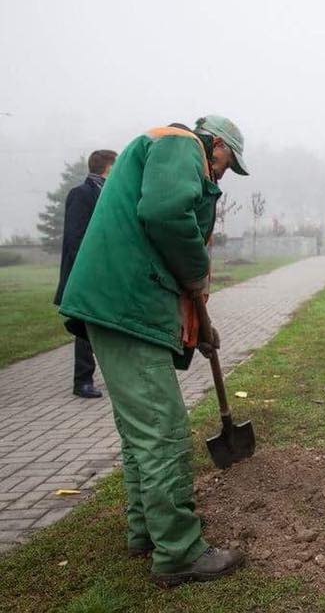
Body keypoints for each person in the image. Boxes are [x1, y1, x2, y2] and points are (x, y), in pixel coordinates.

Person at [58, 115, 249, 586]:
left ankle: (147, 529)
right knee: (163, 431)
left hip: (117, 305)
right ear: (217, 144)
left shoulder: (162, 150)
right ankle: (180, 551)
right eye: (228, 162)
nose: (223, 174)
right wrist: (197, 271)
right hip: (126, 306)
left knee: (140, 430)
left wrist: (199, 325)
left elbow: (158, 230)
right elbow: (165, 214)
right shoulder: (181, 144)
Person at [53, 149, 117, 398]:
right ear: (108, 168)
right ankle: (82, 381)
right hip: (87, 273)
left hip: (106, 272)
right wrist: (86, 270)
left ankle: (110, 376)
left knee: (104, 325)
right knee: (86, 326)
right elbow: (74, 237)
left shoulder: (109, 193)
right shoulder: (81, 194)